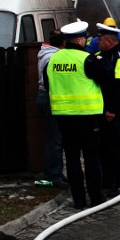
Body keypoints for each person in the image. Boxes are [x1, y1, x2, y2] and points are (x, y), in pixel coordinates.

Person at [45, 19, 108, 208]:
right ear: (80, 40)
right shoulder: (87, 59)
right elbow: (104, 79)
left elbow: (48, 85)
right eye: (85, 39)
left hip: (63, 116)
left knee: (71, 158)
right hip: (86, 115)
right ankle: (96, 197)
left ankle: (79, 200)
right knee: (91, 158)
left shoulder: (53, 59)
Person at [95, 21, 120, 197]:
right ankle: (108, 180)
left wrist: (112, 109)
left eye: (100, 39)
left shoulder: (118, 57)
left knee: (117, 147)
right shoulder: (105, 55)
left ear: (109, 41)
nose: (97, 42)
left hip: (114, 111)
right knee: (107, 146)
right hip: (106, 110)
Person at [35, 29, 67, 187]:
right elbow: (52, 82)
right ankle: (53, 175)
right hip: (49, 97)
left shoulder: (45, 53)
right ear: (64, 43)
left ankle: (56, 172)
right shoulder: (54, 57)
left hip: (45, 97)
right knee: (55, 139)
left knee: (55, 138)